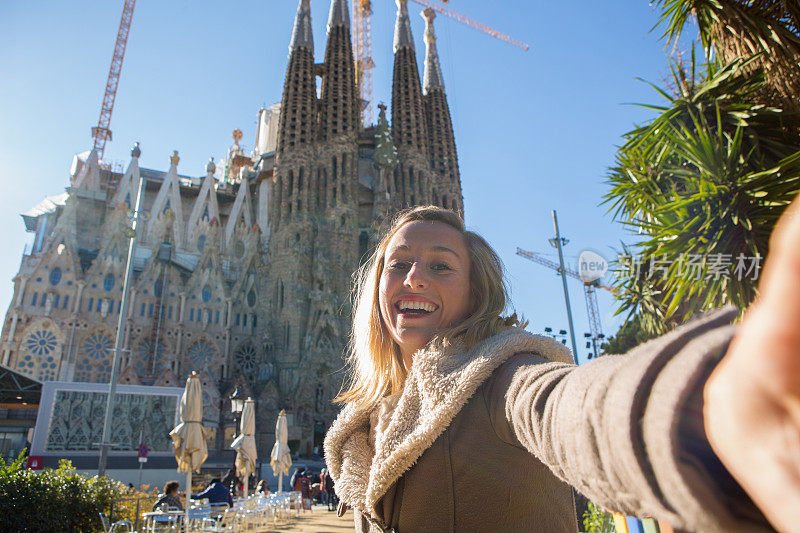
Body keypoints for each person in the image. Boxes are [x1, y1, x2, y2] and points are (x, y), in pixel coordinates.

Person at [324, 203, 800, 532]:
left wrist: (706, 410)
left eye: (441, 266)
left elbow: (568, 409)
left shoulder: (497, 374)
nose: (414, 277)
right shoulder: (367, 422)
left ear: (476, 293)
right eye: (398, 262)